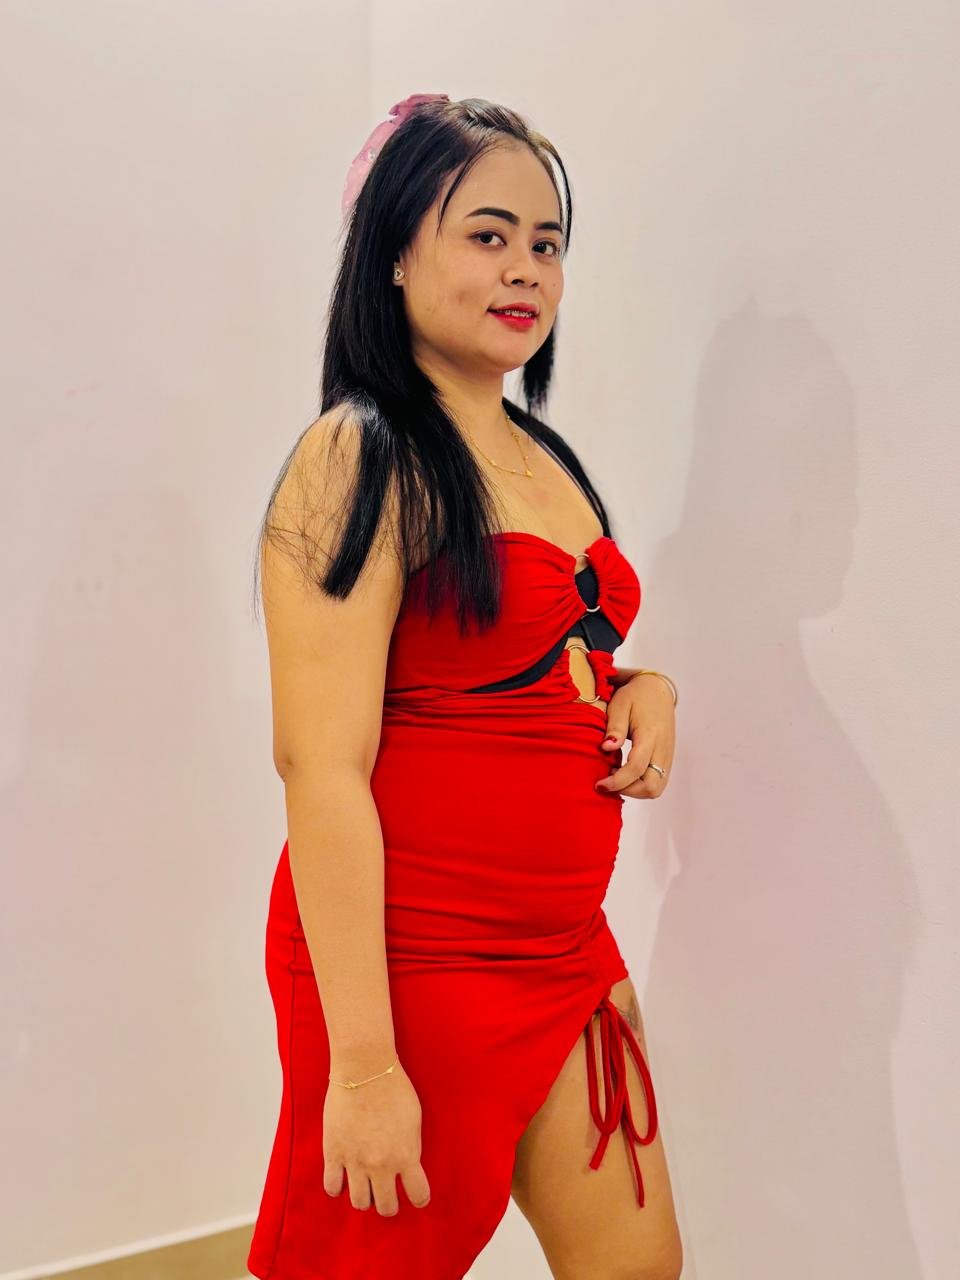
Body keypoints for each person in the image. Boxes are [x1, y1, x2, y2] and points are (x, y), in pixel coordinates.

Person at [246, 94, 683, 1280]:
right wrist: (363, 1065)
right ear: (395, 252)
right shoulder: (358, 454)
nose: (526, 268)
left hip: (565, 950)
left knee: (639, 1265)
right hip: (414, 964)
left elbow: (520, 659)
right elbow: (319, 764)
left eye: (547, 242)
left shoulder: (544, 455)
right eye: (488, 235)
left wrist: (642, 683)